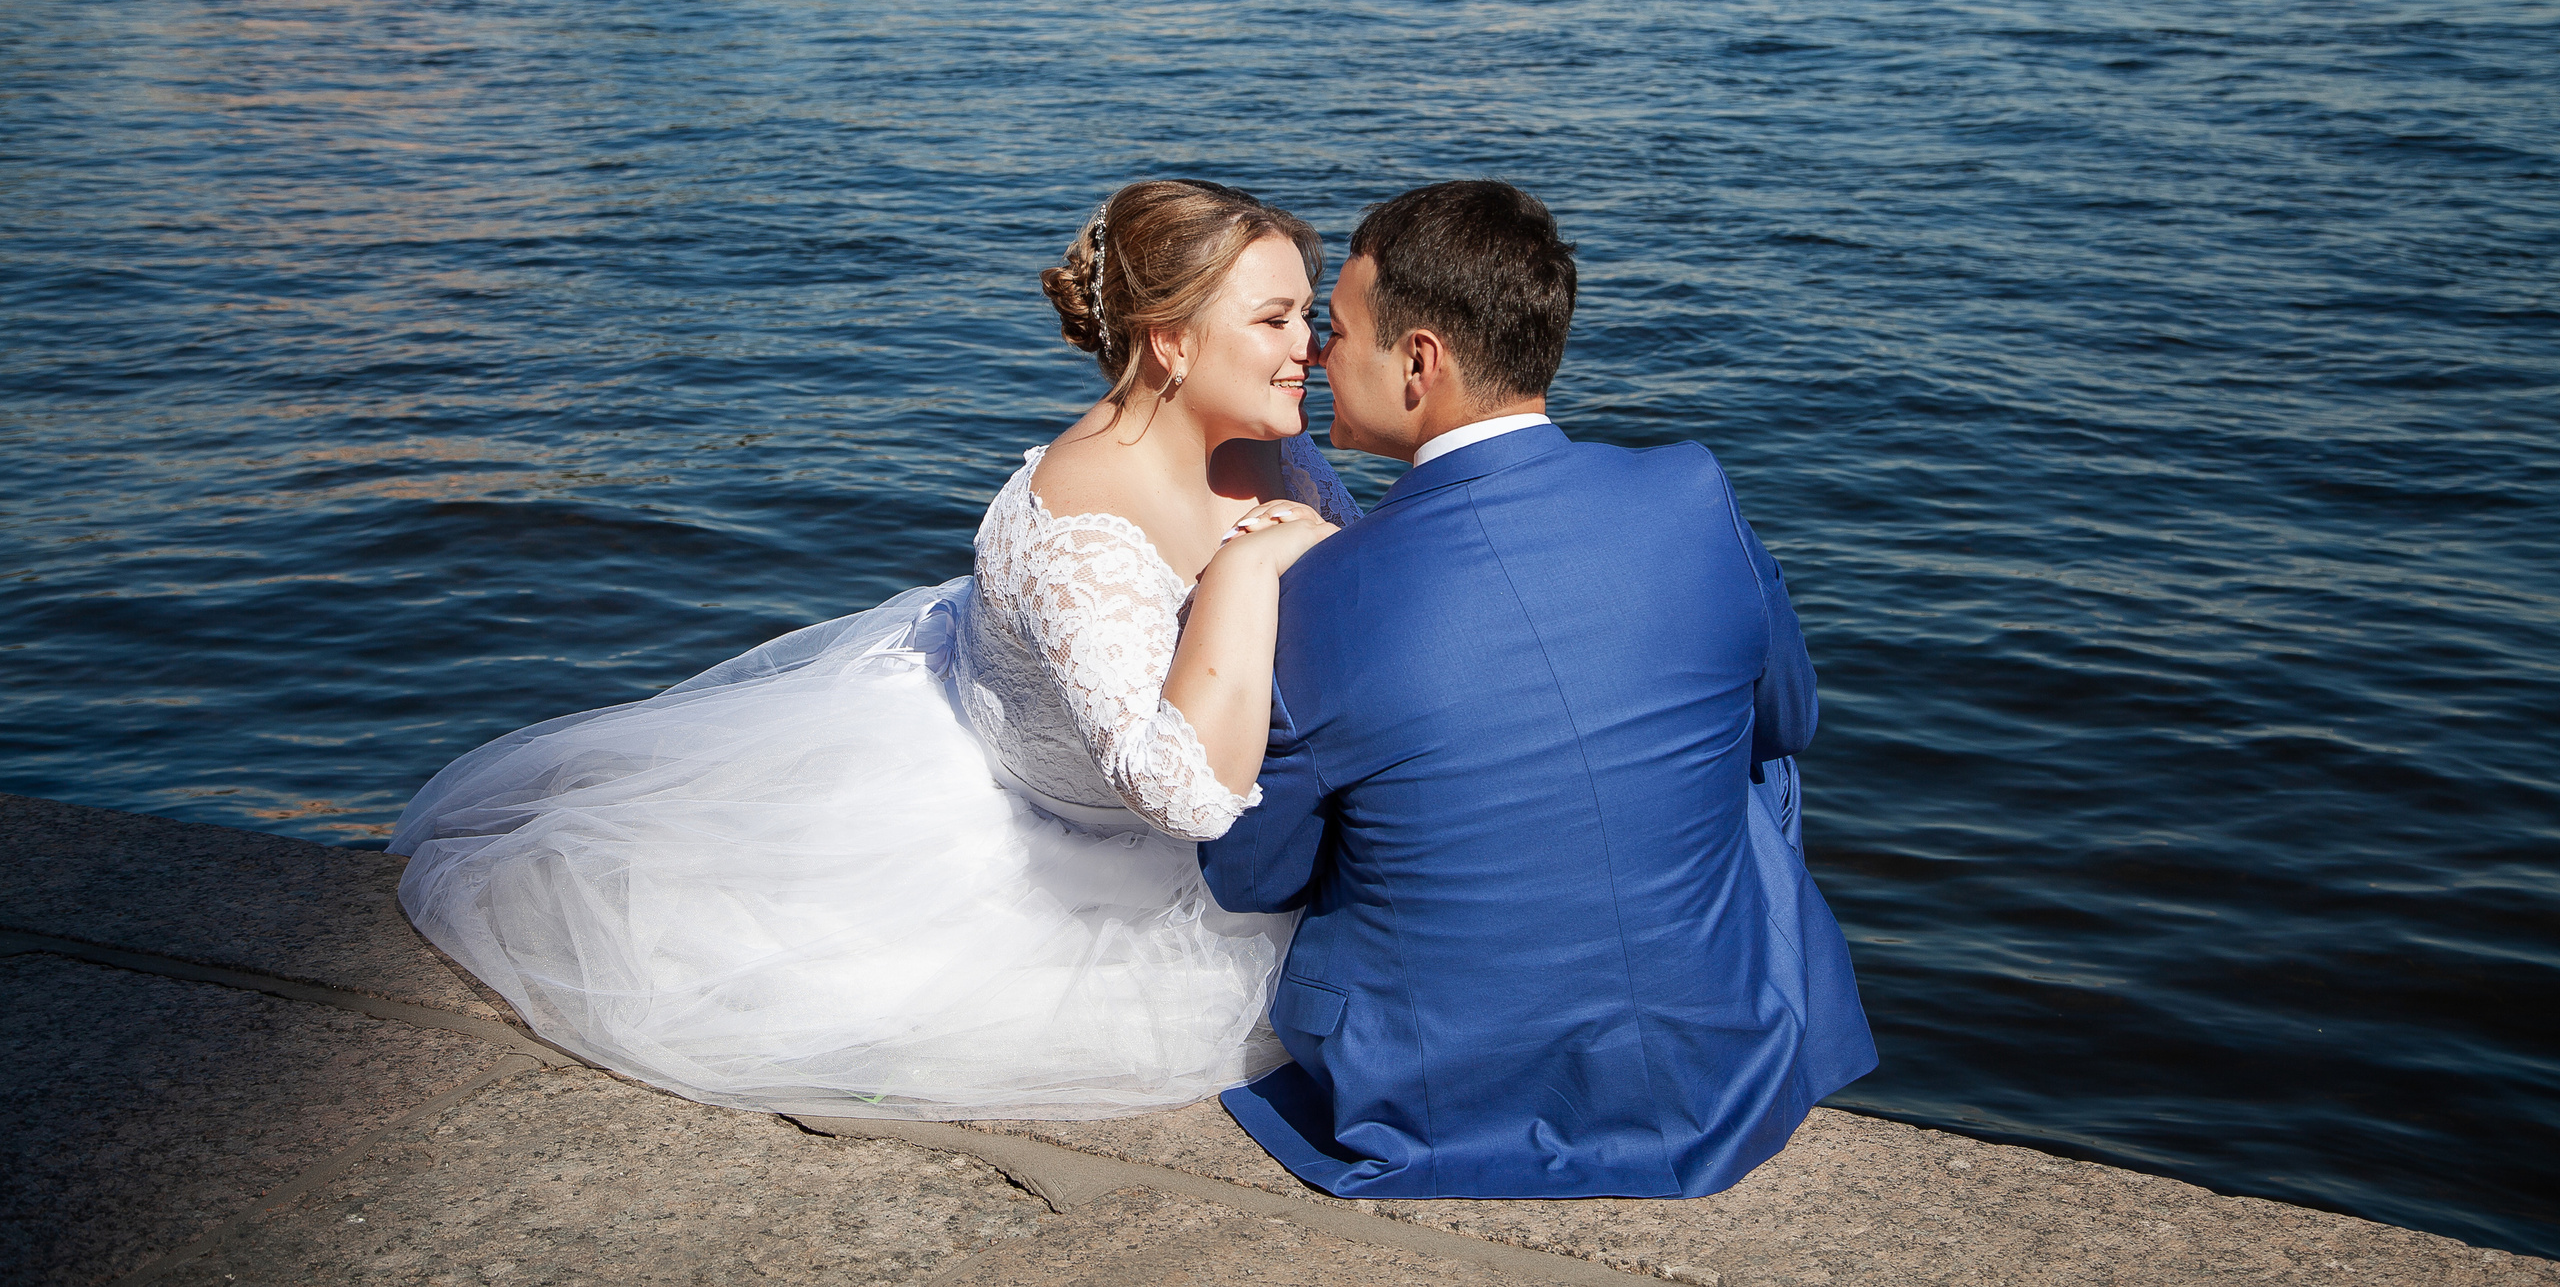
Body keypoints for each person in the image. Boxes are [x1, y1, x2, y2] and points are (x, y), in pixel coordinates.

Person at [390, 179, 1357, 1120]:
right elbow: (1184, 795)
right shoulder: (1077, 528)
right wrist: (1247, 570)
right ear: (1172, 342)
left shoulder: (1274, 444)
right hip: (1061, 853)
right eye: (1275, 320)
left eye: (1308, 316)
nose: (1307, 349)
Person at [1200, 180, 1876, 1199]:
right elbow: (1793, 722)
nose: (1315, 356)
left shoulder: (1319, 592)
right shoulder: (1692, 489)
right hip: (1728, 1076)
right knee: (1746, 755)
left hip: (1435, 1098)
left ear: (1420, 361)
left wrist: (1254, 578)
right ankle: (1701, 1005)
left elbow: (1250, 875)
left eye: (1335, 332)